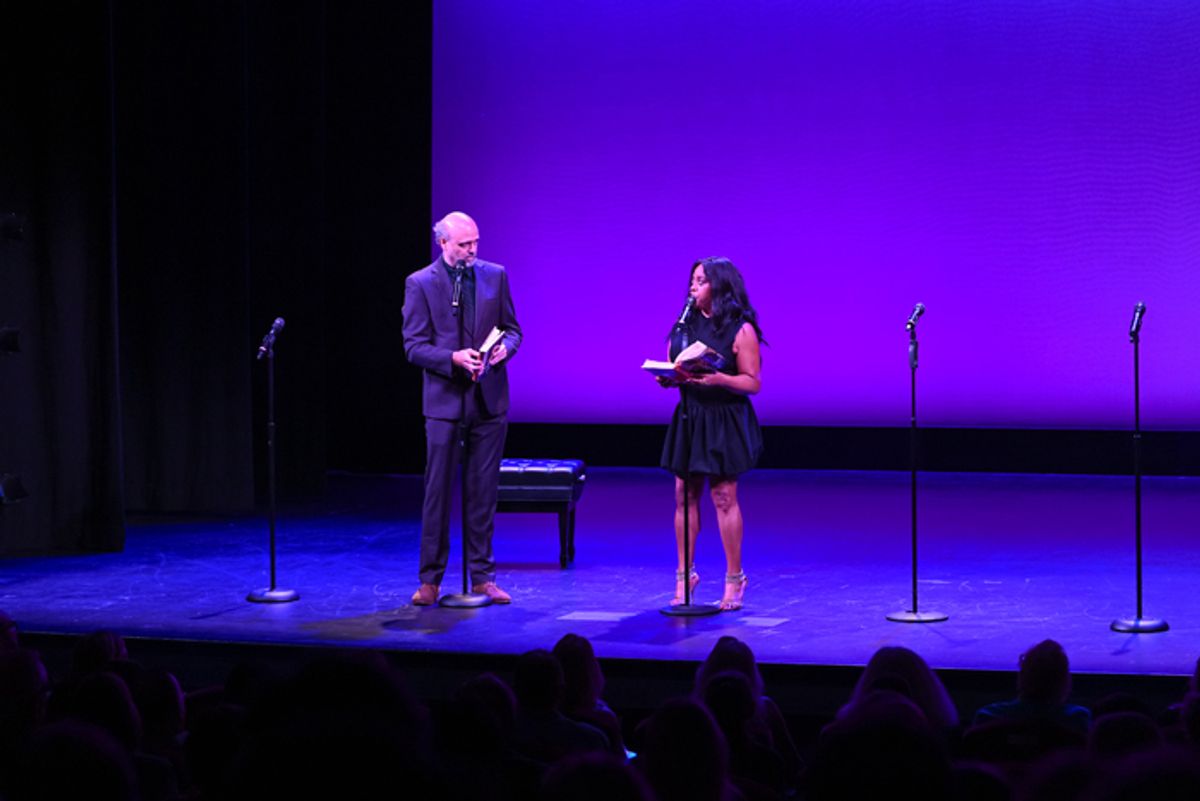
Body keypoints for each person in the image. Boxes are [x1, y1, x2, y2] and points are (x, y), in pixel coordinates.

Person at [402, 211, 522, 605]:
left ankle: (483, 576)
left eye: (475, 242)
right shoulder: (420, 283)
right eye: (464, 244)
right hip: (444, 403)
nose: (472, 250)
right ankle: (430, 580)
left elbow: (513, 328)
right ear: (443, 243)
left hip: (488, 400)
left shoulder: (495, 275)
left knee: (483, 491)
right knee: (437, 491)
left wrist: (507, 348)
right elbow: (414, 346)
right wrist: (452, 358)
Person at [659, 257, 764, 610]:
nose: (693, 286)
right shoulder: (684, 323)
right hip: (691, 415)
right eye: (692, 280)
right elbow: (674, 362)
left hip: (723, 418)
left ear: (719, 286)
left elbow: (752, 382)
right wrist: (667, 376)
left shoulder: (740, 328)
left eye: (701, 281)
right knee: (683, 495)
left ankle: (735, 579)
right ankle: (684, 574)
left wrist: (720, 379)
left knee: (723, 496)